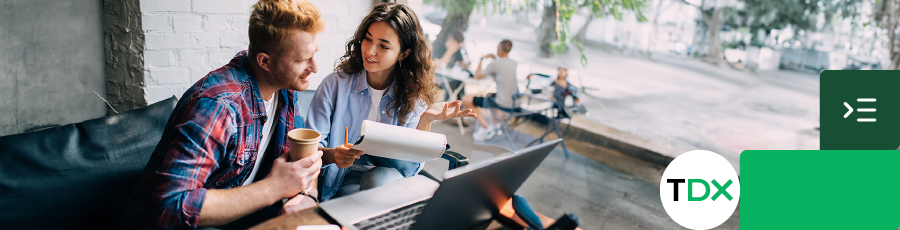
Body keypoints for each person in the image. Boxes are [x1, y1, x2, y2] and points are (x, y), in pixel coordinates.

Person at [121, 1, 326, 229]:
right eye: (301, 59)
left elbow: (303, 159)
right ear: (265, 61)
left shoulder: (285, 87)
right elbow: (170, 207)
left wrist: (308, 196)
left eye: (314, 53)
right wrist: (274, 188)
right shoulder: (216, 107)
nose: (315, 67)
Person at [306, 3, 475, 202]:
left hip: (389, 183)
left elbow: (409, 169)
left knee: (378, 177)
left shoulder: (413, 95)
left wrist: (425, 120)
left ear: (404, 53)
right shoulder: (335, 85)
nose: (370, 51)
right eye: (367, 39)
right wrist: (333, 155)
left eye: (383, 46)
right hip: (339, 183)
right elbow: (309, 148)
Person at [461, 39, 517, 141]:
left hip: (503, 103)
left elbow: (477, 76)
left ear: (498, 49)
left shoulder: (495, 63)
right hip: (514, 101)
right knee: (490, 95)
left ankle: (486, 127)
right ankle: (496, 125)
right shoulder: (514, 63)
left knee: (466, 99)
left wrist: (481, 59)